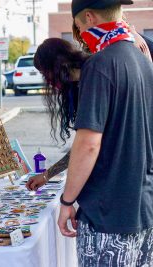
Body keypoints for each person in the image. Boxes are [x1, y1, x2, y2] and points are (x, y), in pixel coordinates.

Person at [57, 1, 153, 266]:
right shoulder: (143, 61)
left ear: (88, 17)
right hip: (143, 209)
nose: (80, 35)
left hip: (107, 215)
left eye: (78, 27)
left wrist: (67, 201)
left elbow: (88, 144)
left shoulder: (100, 65)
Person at [26, 20, 153, 192]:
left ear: (55, 66)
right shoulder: (83, 81)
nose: (46, 80)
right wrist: (47, 175)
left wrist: (67, 200)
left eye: (44, 73)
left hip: (126, 179)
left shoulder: (95, 75)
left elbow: (87, 145)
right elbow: (84, 144)